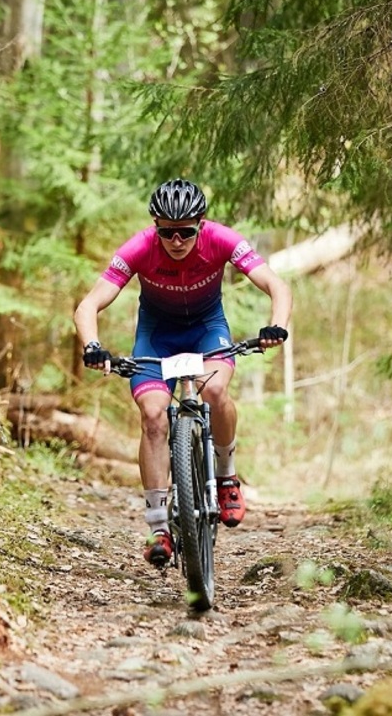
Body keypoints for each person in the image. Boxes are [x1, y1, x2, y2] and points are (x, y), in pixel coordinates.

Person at [73, 178, 292, 567]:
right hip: (156, 338)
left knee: (215, 391)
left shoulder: (222, 240)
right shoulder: (138, 248)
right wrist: (92, 345)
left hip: (207, 329)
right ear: (155, 226)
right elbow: (89, 304)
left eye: (186, 232)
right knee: (154, 416)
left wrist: (276, 325)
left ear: (201, 225)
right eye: (167, 232)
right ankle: (158, 526)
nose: (177, 241)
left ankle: (226, 477)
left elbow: (276, 284)